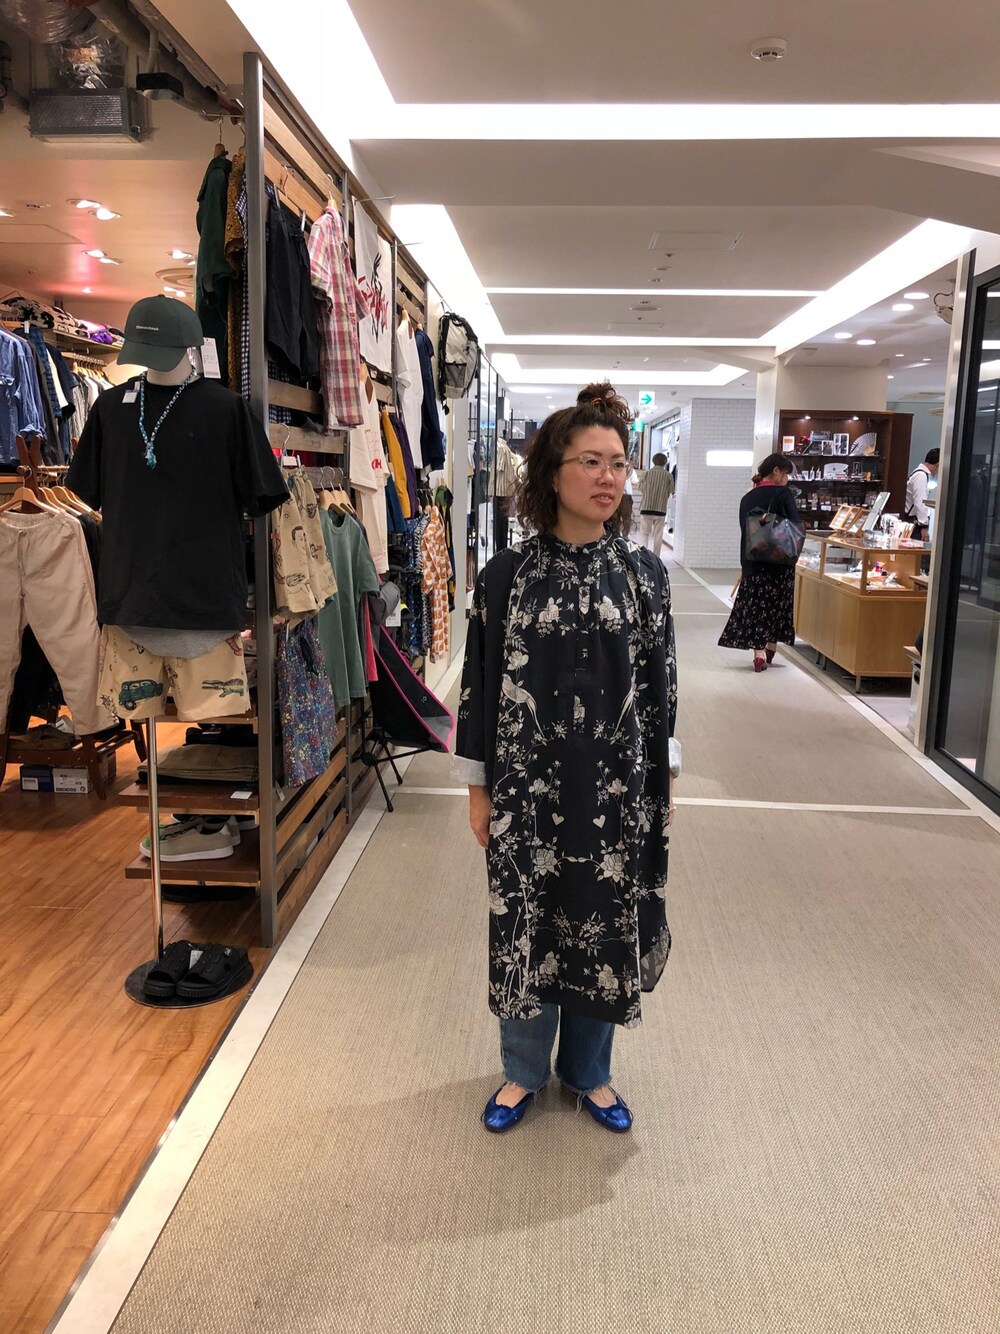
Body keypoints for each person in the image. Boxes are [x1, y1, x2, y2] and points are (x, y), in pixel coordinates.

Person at [455, 381, 678, 1136]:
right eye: (591, 461)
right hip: (528, 788)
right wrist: (479, 788)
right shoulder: (507, 577)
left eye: (618, 463)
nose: (609, 478)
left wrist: (664, 781)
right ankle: (522, 1071)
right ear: (553, 473)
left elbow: (663, 688)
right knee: (527, 918)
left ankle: (589, 1073)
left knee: (604, 918)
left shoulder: (645, 576)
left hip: (618, 789)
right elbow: (480, 687)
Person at [718, 453, 800, 672]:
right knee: (776, 605)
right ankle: (771, 646)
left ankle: (759, 653)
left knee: (757, 607)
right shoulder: (783, 494)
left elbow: (745, 533)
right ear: (776, 471)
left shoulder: (747, 498)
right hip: (780, 563)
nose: (787, 479)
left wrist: (745, 567)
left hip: (753, 562)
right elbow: (795, 525)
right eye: (786, 474)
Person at [637, 452, 675, 552]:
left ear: (653, 461)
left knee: (644, 534)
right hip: (661, 509)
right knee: (658, 535)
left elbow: (640, 488)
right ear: (665, 462)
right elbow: (672, 491)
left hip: (646, 508)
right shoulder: (669, 476)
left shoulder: (646, 473)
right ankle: (656, 557)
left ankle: (644, 556)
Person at [903, 447, 940, 540]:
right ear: (938, 464)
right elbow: (920, 503)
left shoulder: (918, 473)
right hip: (913, 522)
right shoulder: (921, 476)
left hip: (912, 520)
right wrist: (924, 526)